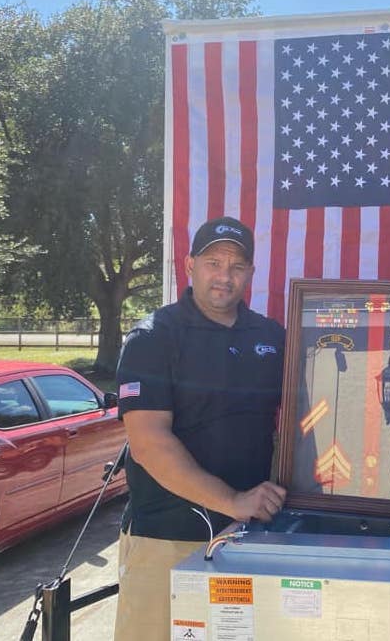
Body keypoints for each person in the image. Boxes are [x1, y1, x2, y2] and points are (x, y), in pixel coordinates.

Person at [113, 216, 286, 641]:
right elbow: (149, 444)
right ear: (190, 264)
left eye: (237, 266)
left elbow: (302, 422)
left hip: (249, 537)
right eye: (214, 262)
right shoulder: (153, 337)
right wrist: (233, 500)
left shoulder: (272, 335)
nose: (225, 276)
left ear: (251, 272)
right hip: (166, 540)